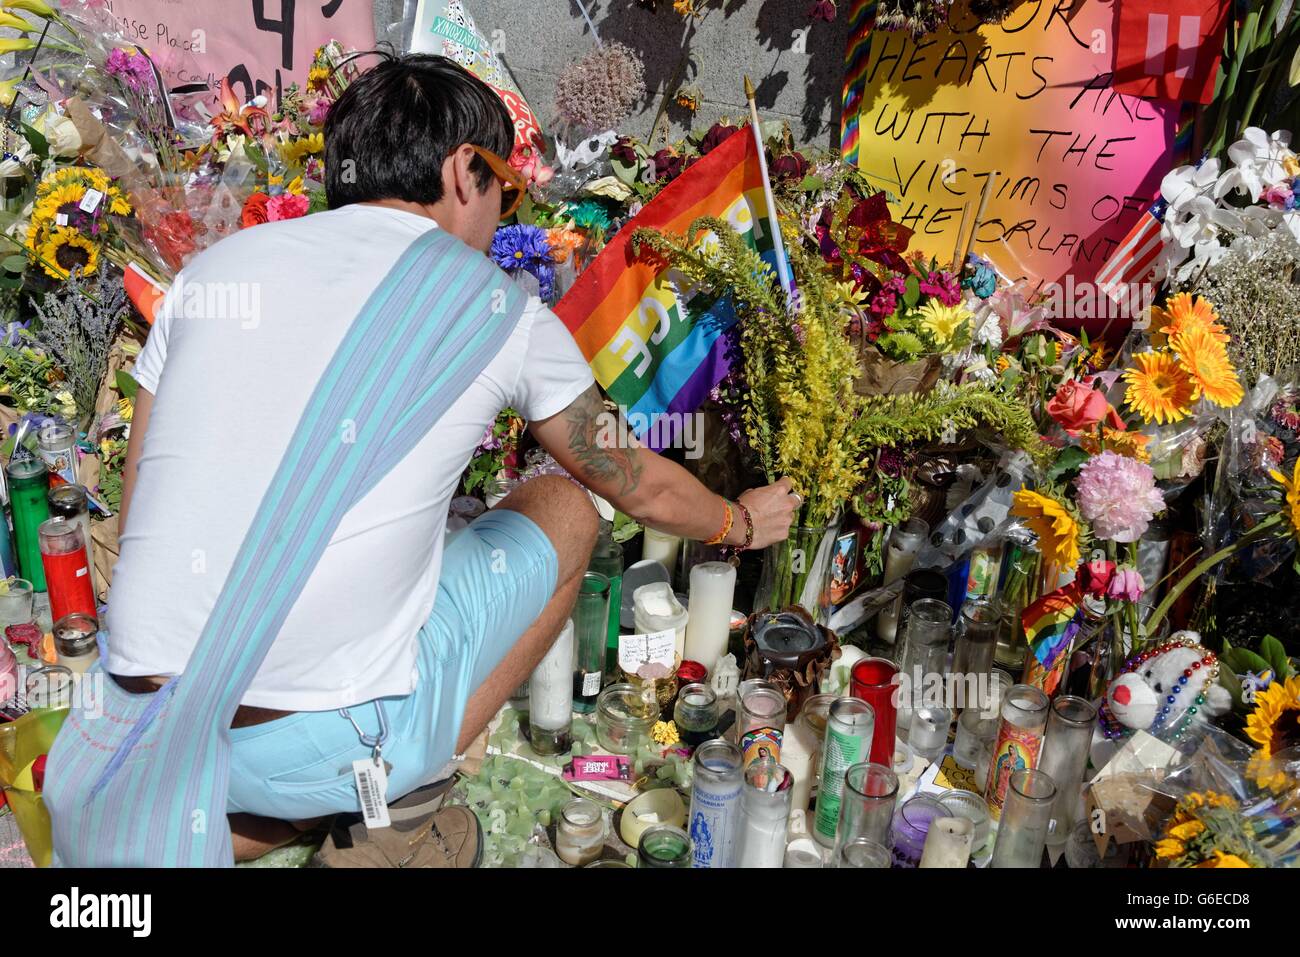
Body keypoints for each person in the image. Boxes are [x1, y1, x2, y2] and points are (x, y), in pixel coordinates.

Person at [100, 54, 799, 865]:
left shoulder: (211, 274)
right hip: (316, 746)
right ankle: (391, 811)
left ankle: (244, 817)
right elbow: (634, 482)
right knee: (567, 508)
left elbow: (140, 491)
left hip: (151, 732)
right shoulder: (493, 303)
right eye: (508, 185)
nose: (506, 213)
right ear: (465, 171)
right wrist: (742, 519)